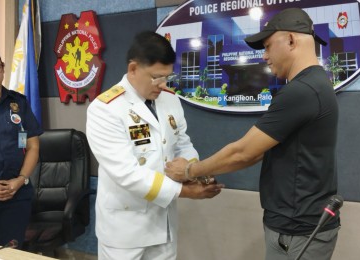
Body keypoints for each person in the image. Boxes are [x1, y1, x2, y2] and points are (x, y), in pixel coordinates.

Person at [165, 8, 340, 260]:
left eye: (268, 46)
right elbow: (258, 150)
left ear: (291, 40)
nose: (265, 56)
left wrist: (190, 171)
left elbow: (243, 152)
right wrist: (206, 171)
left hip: (296, 228)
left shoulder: (302, 91)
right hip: (302, 222)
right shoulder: (315, 84)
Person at [86, 31, 224, 260]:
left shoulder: (170, 99)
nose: (162, 84)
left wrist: (192, 170)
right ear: (133, 69)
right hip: (125, 229)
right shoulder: (105, 109)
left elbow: (182, 144)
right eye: (156, 77)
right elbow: (127, 173)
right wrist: (185, 191)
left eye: (167, 78)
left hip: (164, 223)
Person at [0, 50, 43, 248]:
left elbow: (31, 146)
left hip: (15, 195)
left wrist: (21, 179)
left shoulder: (18, 103)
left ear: (3, 69)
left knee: (10, 253)